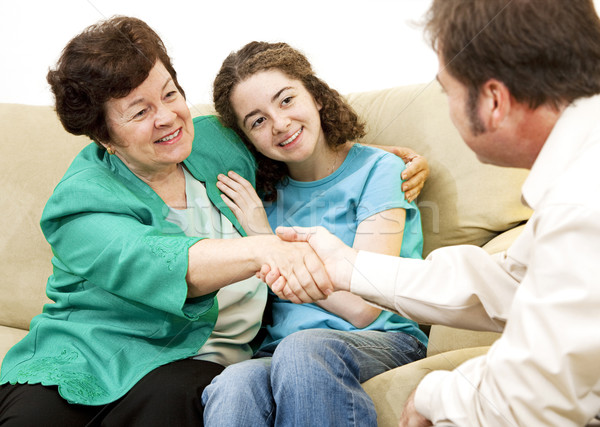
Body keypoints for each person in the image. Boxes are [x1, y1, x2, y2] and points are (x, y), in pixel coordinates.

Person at [269, 0, 600, 426]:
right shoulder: (579, 176)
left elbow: (532, 395)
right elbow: (508, 283)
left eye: (448, 91)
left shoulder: (581, 201)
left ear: (493, 100)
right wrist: (350, 268)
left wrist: (438, 395)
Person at [0, 16, 336, 426]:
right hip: (82, 359)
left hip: (193, 368)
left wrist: (370, 155)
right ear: (104, 136)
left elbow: (295, 139)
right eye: (140, 111)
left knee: (177, 397)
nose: (168, 117)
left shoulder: (217, 142)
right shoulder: (79, 200)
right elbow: (163, 262)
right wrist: (264, 247)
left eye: (170, 94)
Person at [200, 41, 429, 426]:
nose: (280, 123)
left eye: (287, 100)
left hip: (385, 339)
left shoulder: (379, 171)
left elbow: (363, 308)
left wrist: (266, 239)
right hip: (280, 351)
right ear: (248, 138)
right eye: (257, 120)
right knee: (232, 383)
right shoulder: (259, 198)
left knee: (304, 351)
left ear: (317, 96)